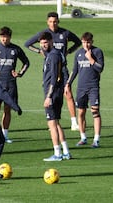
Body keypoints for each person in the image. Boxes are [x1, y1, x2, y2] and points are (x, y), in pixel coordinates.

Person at [25, 11, 81, 131]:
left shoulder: (65, 33)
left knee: (68, 93)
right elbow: (28, 44)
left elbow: (78, 42)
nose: (53, 24)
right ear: (47, 22)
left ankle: (73, 122)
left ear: (58, 22)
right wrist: (39, 51)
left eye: (55, 21)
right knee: (51, 93)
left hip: (63, 68)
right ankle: (53, 121)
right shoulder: (44, 34)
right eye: (50, 22)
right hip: (50, 69)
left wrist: (69, 51)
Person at [66, 32, 104, 148]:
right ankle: (83, 137)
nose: (86, 45)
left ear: (92, 42)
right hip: (81, 88)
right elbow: (74, 70)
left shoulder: (97, 52)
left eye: (88, 42)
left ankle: (96, 139)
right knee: (81, 112)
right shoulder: (78, 53)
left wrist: (91, 59)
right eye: (83, 42)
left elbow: (100, 68)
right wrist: (68, 83)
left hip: (93, 87)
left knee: (95, 112)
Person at [39, 32, 71, 161]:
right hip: (56, 92)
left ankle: (57, 153)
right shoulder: (56, 54)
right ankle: (66, 152)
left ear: (51, 41)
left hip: (52, 93)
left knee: (51, 124)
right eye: (41, 43)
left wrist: (49, 96)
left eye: (45, 42)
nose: (43, 45)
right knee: (56, 123)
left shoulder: (53, 56)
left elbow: (54, 78)